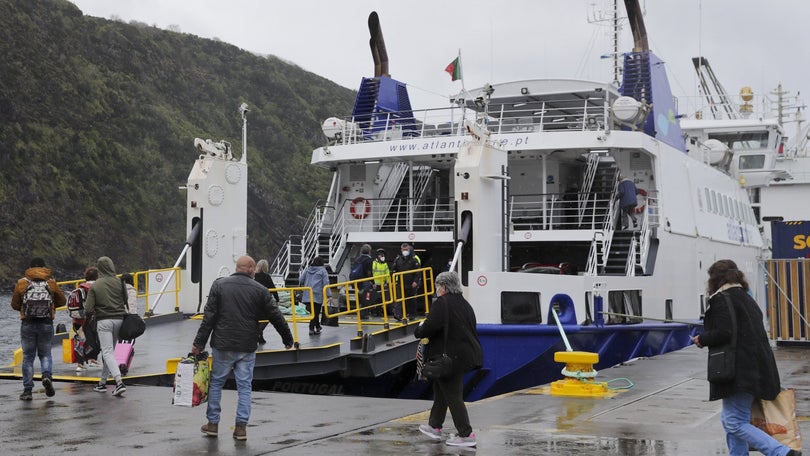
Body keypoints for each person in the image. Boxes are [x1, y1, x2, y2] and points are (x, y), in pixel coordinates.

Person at [691, 260, 800, 456]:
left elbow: (725, 332)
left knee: (734, 421)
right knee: (733, 420)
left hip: (738, 370)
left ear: (715, 279)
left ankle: (782, 453)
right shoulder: (745, 298)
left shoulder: (721, 299)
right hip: (756, 367)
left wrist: (703, 338)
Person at [192, 256, 294, 440]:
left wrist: (198, 344)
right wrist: (288, 338)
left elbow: (209, 318)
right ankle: (240, 428)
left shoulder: (219, 285)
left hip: (222, 345)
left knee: (216, 383)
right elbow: (275, 315)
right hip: (247, 346)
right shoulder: (261, 290)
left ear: (237, 268)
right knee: (245, 386)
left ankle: (213, 424)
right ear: (252, 269)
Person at [414, 271, 482, 448]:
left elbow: (430, 327)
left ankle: (466, 434)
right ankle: (434, 426)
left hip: (448, 358)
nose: (437, 289)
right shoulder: (465, 305)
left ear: (443, 287)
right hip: (462, 357)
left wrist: (419, 329)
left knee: (453, 396)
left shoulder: (442, 303)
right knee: (442, 390)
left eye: (438, 286)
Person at [11, 258, 66, 400]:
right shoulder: (51, 283)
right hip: (46, 323)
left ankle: (27, 391)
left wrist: (24, 309)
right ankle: (46, 376)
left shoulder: (22, 283)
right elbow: (62, 301)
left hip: (28, 324)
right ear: (43, 267)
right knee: (45, 354)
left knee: (28, 357)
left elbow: (14, 304)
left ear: (29, 267)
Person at [84, 256, 128, 397]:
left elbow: (88, 309)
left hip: (104, 321)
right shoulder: (120, 282)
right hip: (119, 320)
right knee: (109, 353)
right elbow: (125, 300)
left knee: (107, 352)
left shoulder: (95, 285)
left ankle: (119, 382)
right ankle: (102, 383)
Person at [73, 266, 102, 373]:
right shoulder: (98, 287)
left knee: (80, 340)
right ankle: (92, 359)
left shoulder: (80, 288)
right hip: (91, 318)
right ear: (97, 276)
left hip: (78, 319)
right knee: (95, 339)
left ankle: (80, 364)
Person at [299, 256, 332, 335]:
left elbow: (301, 280)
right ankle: (311, 328)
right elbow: (326, 283)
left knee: (313, 313)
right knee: (316, 313)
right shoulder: (323, 271)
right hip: (317, 295)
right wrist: (329, 295)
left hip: (307, 294)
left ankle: (318, 327)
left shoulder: (307, 269)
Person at [391, 242, 422, 320]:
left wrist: (415, 281)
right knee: (399, 299)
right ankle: (398, 314)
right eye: (403, 249)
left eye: (406, 249)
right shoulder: (398, 259)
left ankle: (412, 314)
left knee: (411, 299)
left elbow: (417, 272)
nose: (405, 251)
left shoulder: (414, 259)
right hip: (400, 282)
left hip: (411, 283)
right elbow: (393, 270)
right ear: (401, 250)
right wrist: (393, 279)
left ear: (409, 249)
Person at [254, 259, 280, 345]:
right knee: (267, 318)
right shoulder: (267, 276)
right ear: (266, 267)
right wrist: (277, 299)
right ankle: (257, 333)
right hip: (264, 300)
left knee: (257, 319)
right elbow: (273, 288)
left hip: (254, 300)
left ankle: (260, 337)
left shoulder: (254, 276)